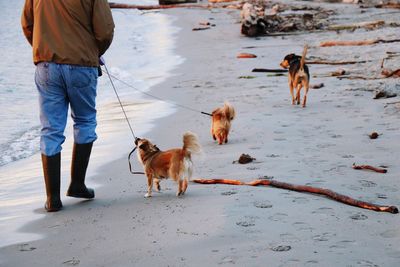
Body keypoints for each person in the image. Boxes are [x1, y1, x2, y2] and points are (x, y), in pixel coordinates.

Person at [21, 0, 115, 212]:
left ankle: (52, 198)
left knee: (50, 129)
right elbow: (105, 30)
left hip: (46, 65)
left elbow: (27, 25)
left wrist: (43, 48)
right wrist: (93, 52)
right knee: (84, 121)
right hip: (81, 64)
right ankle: (77, 184)